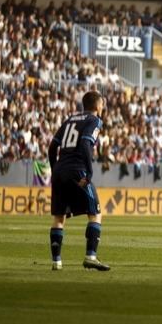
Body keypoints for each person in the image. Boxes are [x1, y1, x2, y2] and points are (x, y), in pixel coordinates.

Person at [47, 91, 111, 271]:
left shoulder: (70, 119)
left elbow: (52, 147)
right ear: (98, 106)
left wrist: (55, 170)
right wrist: (89, 172)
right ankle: (91, 256)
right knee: (95, 212)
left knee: (59, 216)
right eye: (102, 105)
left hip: (60, 170)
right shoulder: (95, 120)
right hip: (77, 170)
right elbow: (84, 144)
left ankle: (56, 261)